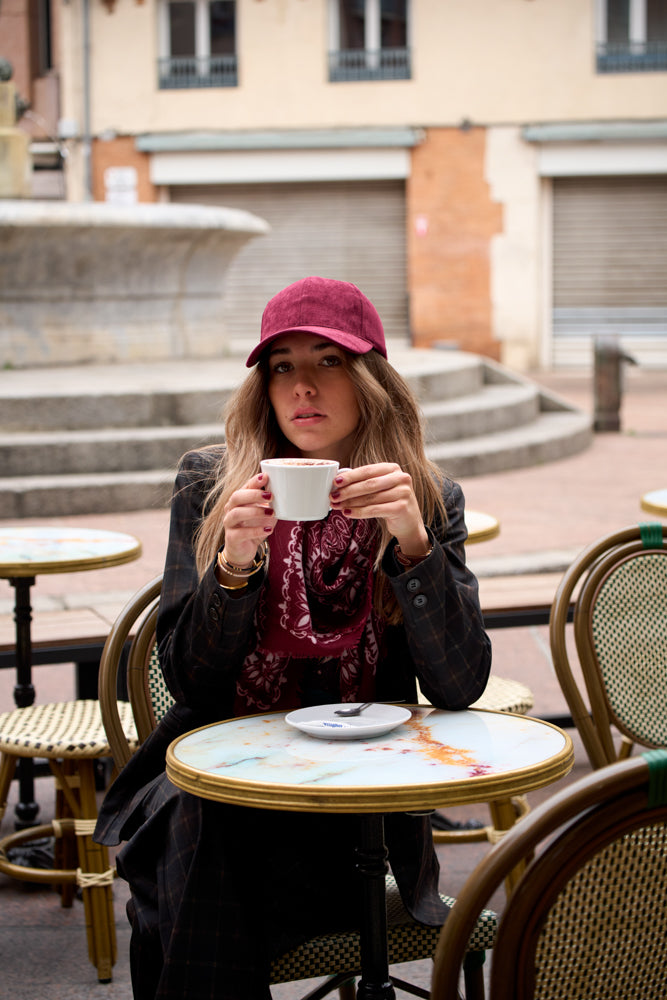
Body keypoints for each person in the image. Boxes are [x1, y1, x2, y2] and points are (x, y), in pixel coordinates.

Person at [95, 276, 492, 1000]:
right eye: (282, 366)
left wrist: (412, 546)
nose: (302, 386)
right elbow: (189, 683)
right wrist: (236, 563)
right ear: (263, 385)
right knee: (205, 822)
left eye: (328, 361)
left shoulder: (427, 496)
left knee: (188, 884)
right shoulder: (210, 485)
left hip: (358, 802)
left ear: (371, 379)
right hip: (226, 783)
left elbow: (460, 685)